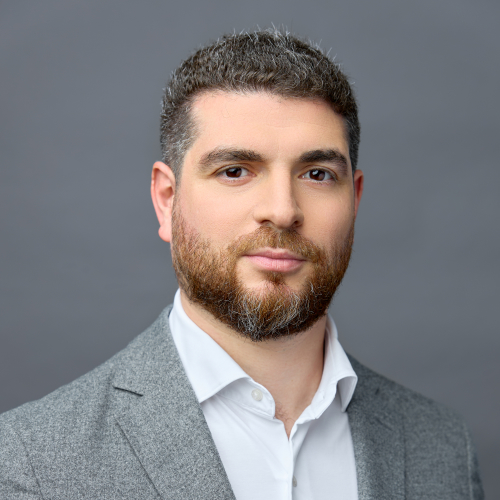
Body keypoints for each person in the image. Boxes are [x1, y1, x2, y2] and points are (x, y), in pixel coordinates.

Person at [0, 29, 483, 500]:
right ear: (167, 200)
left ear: (354, 200)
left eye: (317, 174)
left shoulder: (442, 447)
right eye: (235, 171)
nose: (282, 210)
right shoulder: (31, 463)